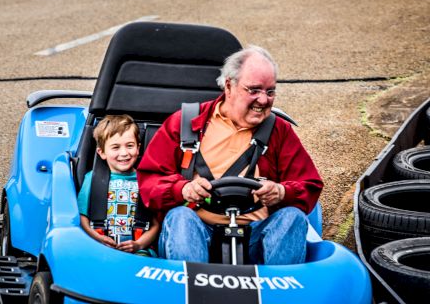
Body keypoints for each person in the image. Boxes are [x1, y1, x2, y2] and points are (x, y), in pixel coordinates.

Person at [138, 45, 323, 264]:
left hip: (256, 237)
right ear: (229, 86)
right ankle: (190, 290)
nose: (263, 100)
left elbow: (309, 184)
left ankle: (280, 291)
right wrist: (183, 188)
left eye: (270, 91)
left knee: (293, 218)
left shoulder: (279, 131)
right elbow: (149, 181)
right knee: (180, 217)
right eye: (254, 90)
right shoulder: (184, 123)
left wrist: (282, 191)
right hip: (197, 232)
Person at [77, 114, 159, 256]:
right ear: (102, 152)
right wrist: (97, 238)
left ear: (138, 148)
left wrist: (139, 244)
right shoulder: (92, 179)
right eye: (115, 147)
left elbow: (156, 224)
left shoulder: (147, 180)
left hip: (139, 249)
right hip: (98, 245)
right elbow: (81, 217)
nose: (124, 153)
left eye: (130, 146)